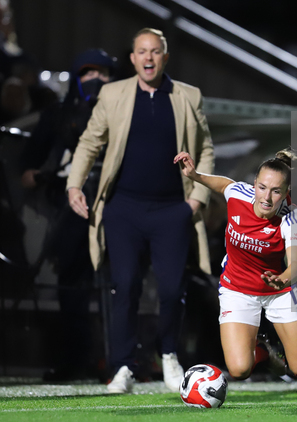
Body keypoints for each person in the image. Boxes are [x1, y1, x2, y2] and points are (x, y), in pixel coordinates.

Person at [66, 28, 214, 394]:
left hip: (171, 210)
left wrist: (195, 200)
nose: (148, 58)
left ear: (165, 56)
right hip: (124, 208)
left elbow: (206, 148)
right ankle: (122, 367)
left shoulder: (187, 96)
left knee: (170, 289)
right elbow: (89, 142)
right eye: (141, 51)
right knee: (126, 286)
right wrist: (73, 184)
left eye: (155, 51)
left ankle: (169, 355)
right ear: (132, 58)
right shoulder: (113, 93)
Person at [173, 149, 297, 405]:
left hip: (279, 292)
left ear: (286, 192)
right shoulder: (238, 195)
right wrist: (196, 175)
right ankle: (262, 352)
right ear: (254, 185)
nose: (266, 197)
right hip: (237, 290)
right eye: (262, 187)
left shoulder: (291, 217)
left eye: (276, 191)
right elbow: (224, 184)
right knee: (240, 369)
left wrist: (283, 278)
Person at [20, 48, 115, 381]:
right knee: (72, 286)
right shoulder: (58, 115)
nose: (98, 79)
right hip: (69, 210)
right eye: (90, 72)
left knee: (120, 282)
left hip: (115, 207)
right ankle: (76, 359)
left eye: (104, 73)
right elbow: (28, 165)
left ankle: (124, 360)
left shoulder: (123, 113)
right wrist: (39, 174)